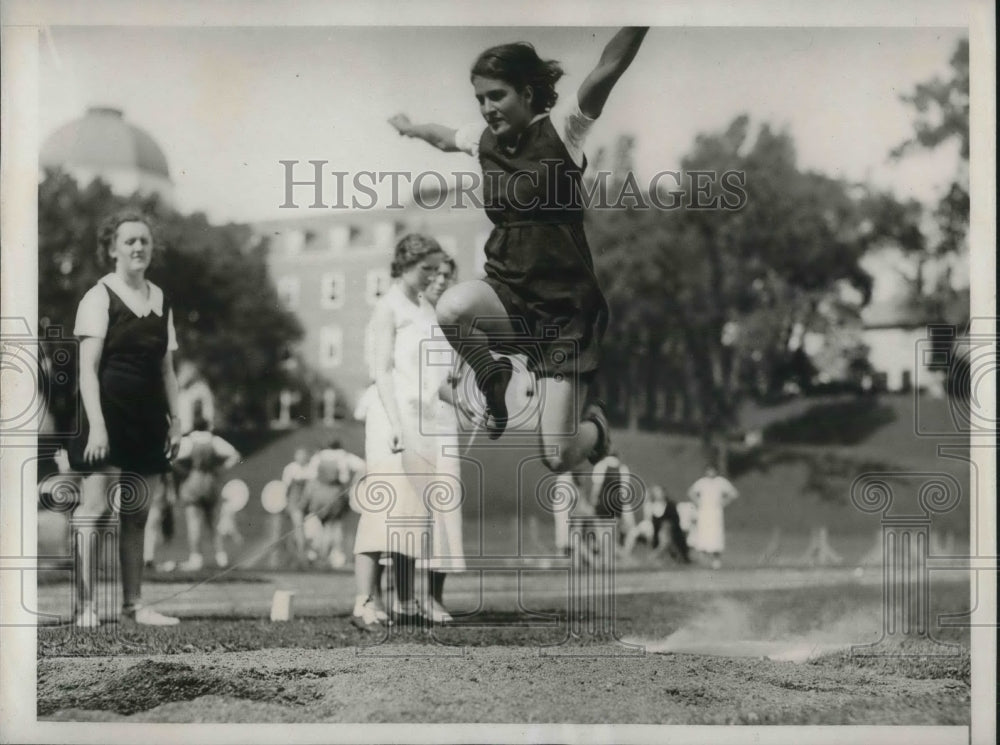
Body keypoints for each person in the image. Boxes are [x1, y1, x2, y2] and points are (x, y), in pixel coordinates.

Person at [389, 27, 649, 474]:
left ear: (527, 93)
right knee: (451, 308)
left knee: (557, 456)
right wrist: (411, 129)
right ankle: (493, 377)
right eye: (481, 100)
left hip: (563, 313)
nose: (488, 109)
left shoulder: (563, 130)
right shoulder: (483, 140)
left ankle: (598, 431)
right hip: (508, 292)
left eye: (497, 96)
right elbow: (442, 135)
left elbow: (607, 68)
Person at [67, 209, 183, 626]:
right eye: (129, 240)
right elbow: (87, 369)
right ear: (112, 248)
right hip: (107, 415)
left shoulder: (162, 300)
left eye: (144, 241)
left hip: (148, 419)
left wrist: (177, 419)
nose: (138, 247)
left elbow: (167, 369)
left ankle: (132, 604)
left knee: (137, 513)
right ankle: (84, 606)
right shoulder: (99, 296)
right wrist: (96, 425)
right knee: (94, 511)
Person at [352, 234, 446, 627]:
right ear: (405, 264)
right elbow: (382, 371)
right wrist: (394, 422)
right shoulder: (387, 308)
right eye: (426, 269)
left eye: (437, 270)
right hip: (391, 416)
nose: (433, 277)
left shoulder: (425, 307)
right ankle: (365, 601)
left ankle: (404, 600)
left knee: (413, 511)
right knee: (385, 505)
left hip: (424, 418)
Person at [422, 255, 470, 622]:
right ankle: (405, 595)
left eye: (447, 276)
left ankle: (434, 597)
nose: (440, 281)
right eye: (435, 274)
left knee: (445, 508)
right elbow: (423, 382)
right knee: (411, 510)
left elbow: (453, 379)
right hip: (416, 426)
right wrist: (465, 403)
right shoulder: (410, 319)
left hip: (445, 427)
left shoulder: (451, 326)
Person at [172, 415, 241, 570]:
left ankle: (196, 557)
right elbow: (235, 455)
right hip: (210, 481)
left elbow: (172, 458)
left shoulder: (189, 441)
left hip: (193, 480)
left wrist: (184, 472)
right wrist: (221, 469)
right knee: (213, 523)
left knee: (193, 522)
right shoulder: (214, 440)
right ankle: (221, 556)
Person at [301, 439, 365, 569]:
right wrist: (353, 483)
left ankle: (320, 555)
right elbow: (363, 466)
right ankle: (333, 555)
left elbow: (310, 475)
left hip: (319, 495)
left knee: (321, 525)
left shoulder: (319, 457)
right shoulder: (344, 456)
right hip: (336, 494)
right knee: (334, 526)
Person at [687, 465, 739, 569]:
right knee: (704, 534)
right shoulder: (702, 482)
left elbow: (734, 493)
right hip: (704, 512)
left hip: (715, 512)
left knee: (716, 535)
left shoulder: (721, 482)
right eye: (709, 470)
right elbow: (691, 492)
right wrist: (699, 502)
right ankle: (704, 559)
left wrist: (724, 502)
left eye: (713, 470)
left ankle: (716, 560)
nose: (711, 472)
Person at [589, 452, 638, 546]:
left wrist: (593, 501)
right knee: (612, 532)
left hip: (602, 504)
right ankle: (610, 553)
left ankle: (602, 552)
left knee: (600, 531)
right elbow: (624, 491)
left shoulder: (601, 466)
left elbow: (597, 487)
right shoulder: (622, 468)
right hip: (616, 505)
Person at [281, 446, 313, 566]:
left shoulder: (310, 469)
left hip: (308, 502)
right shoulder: (290, 468)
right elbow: (286, 488)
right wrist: (287, 503)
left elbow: (311, 488)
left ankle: (299, 556)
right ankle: (301, 556)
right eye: (299, 455)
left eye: (303, 455)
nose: (301, 458)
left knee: (302, 529)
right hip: (295, 501)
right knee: (298, 528)